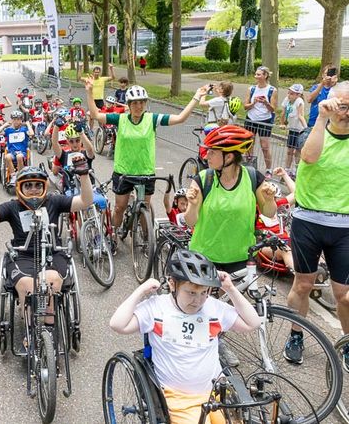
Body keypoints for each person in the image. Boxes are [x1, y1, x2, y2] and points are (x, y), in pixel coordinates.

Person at [109, 249, 260, 424]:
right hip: (179, 398)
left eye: (204, 292)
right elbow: (117, 324)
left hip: (217, 389)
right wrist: (141, 290)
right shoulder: (156, 308)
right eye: (191, 293)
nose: (198, 301)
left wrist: (230, 289)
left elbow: (253, 323)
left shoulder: (213, 307)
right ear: (172, 284)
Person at [85, 79, 210, 246]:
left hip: (145, 173)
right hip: (123, 172)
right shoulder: (120, 119)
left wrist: (196, 96)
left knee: (145, 206)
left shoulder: (152, 119)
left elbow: (180, 118)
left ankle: (146, 239)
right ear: (128, 104)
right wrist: (89, 91)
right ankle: (113, 234)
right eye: (135, 103)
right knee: (119, 208)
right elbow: (95, 114)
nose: (138, 106)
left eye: (142, 102)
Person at [0, 163, 93, 324]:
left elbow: (85, 201)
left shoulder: (54, 201)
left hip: (52, 254)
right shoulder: (12, 207)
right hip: (22, 256)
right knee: (27, 285)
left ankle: (48, 327)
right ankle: (31, 329)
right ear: (20, 188)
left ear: (44, 186)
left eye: (38, 185)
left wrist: (84, 176)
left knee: (52, 281)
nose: (33, 189)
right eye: (28, 186)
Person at [285, 82, 349, 368]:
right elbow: (309, 158)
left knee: (344, 295)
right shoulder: (315, 130)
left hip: (344, 226)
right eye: (342, 106)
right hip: (309, 220)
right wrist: (321, 117)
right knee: (303, 284)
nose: (346, 113)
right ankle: (296, 333)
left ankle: (347, 344)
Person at [184, 125, 277, 273]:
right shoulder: (203, 179)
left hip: (241, 258)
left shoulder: (252, 177)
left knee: (232, 296)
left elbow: (269, 213)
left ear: (229, 156)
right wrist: (193, 205)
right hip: (205, 257)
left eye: (212, 152)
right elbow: (190, 221)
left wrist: (270, 200)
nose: (206, 156)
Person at [243, 66, 278, 176]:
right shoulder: (251, 89)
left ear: (265, 76)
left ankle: (268, 170)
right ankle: (249, 167)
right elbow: (245, 106)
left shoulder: (272, 90)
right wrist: (253, 103)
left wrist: (266, 103)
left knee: (265, 147)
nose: (256, 76)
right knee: (249, 144)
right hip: (251, 119)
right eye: (256, 74)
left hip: (265, 121)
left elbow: (273, 109)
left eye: (259, 74)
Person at [52, 123, 95, 194]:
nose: (75, 144)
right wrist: (56, 127)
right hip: (69, 191)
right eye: (71, 141)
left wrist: (81, 133)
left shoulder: (86, 154)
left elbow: (90, 150)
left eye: (77, 140)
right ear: (67, 141)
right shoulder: (64, 155)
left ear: (81, 140)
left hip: (87, 190)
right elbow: (54, 143)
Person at [0, 110, 33, 183]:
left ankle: (20, 174)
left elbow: (31, 133)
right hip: (12, 152)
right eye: (14, 119)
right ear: (12, 120)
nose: (16, 121)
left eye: (18, 119)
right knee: (7, 157)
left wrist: (28, 124)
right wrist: (4, 125)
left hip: (22, 152)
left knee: (19, 156)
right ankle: (13, 175)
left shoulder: (24, 129)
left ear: (21, 120)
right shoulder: (9, 130)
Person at [280, 84, 307, 176]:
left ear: (298, 95)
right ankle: (287, 169)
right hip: (292, 129)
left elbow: (300, 116)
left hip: (299, 130)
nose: (289, 95)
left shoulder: (299, 101)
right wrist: (282, 123)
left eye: (292, 93)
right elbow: (283, 113)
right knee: (289, 151)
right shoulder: (286, 100)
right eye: (289, 92)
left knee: (298, 151)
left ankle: (296, 170)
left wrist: (306, 128)